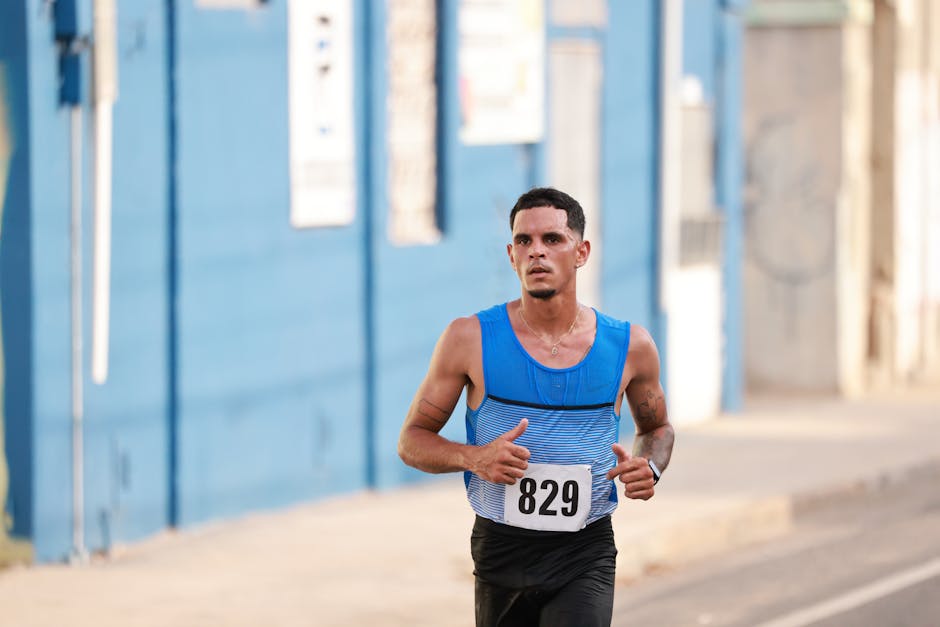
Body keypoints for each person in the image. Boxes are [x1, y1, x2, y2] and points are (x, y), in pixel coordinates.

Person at [397, 187, 675, 627]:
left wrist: (650, 466)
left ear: (581, 252)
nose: (536, 253)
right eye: (524, 241)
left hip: (585, 550)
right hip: (501, 549)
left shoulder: (628, 346)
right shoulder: (469, 339)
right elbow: (411, 441)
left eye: (552, 240)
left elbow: (657, 428)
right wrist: (475, 458)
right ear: (511, 255)